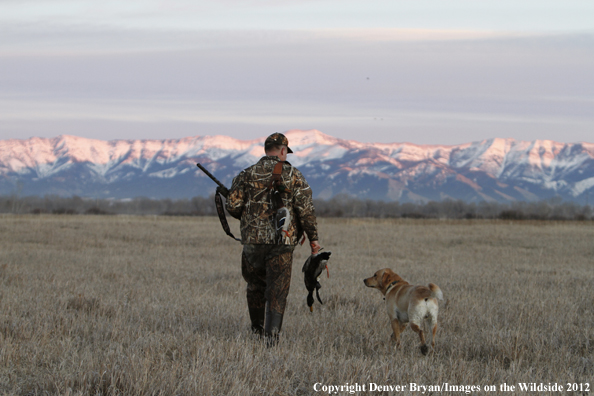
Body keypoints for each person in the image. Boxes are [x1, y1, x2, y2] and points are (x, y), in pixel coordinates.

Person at [223, 132, 321, 346]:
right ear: (283, 151)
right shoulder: (294, 175)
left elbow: (233, 206)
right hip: (281, 243)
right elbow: (306, 211)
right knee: (277, 289)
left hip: (252, 242)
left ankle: (256, 332)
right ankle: (271, 339)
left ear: (266, 150)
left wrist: (251, 217)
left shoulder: (245, 174)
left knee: (255, 286)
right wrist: (313, 240)